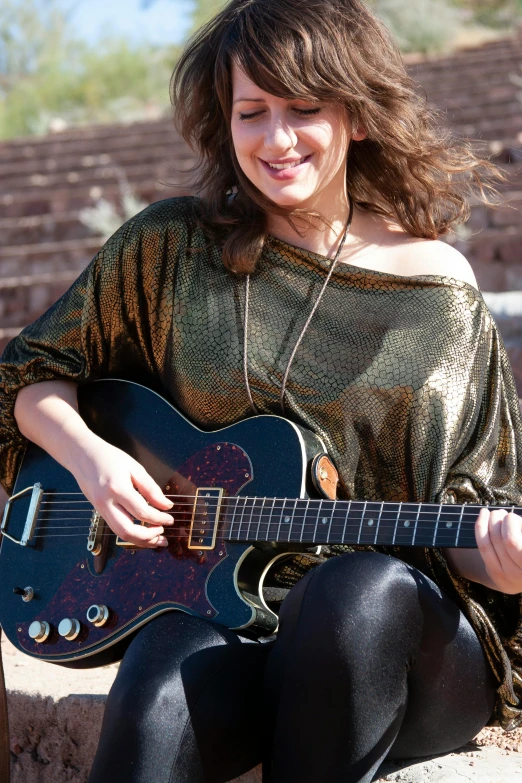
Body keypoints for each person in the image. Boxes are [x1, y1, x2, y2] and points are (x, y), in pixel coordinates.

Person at [1, 0, 521, 781]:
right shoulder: (172, 247)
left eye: (304, 109)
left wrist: (504, 561)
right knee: (163, 663)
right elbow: (32, 373)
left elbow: (468, 513)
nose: (276, 140)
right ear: (226, 119)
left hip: (397, 641)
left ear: (358, 115)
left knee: (357, 594)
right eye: (252, 112)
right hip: (224, 613)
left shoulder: (438, 292)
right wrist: (92, 463)